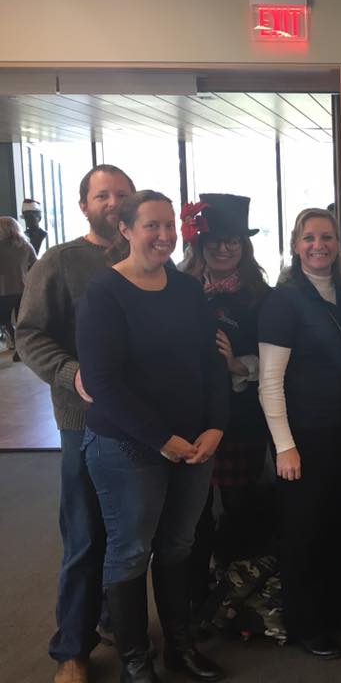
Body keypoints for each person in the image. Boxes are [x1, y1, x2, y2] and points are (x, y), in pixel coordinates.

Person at [76, 189, 229, 683]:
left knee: (179, 546)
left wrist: (216, 424)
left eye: (169, 226)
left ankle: (178, 649)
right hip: (128, 445)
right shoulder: (104, 293)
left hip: (193, 442)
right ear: (125, 230)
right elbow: (102, 384)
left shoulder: (186, 290)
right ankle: (136, 664)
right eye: (152, 226)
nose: (164, 235)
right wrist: (161, 437)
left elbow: (211, 363)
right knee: (131, 551)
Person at [17, 164, 135, 683]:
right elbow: (31, 335)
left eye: (122, 194)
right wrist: (70, 373)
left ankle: (113, 620)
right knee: (86, 535)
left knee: (130, 534)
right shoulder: (60, 262)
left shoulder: (150, 259)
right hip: (82, 423)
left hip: (142, 424)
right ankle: (72, 648)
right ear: (84, 204)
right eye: (102, 194)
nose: (113, 202)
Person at [258, 208, 341, 659]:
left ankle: (332, 608)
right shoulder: (283, 301)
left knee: (337, 524)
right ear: (295, 244)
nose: (318, 245)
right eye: (309, 238)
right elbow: (269, 381)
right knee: (303, 532)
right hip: (302, 437)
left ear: (338, 243)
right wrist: (285, 446)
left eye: (327, 237)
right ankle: (305, 624)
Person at [180, 193, 271, 605]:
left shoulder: (260, 295)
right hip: (188, 417)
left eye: (232, 240)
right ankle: (196, 597)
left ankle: (239, 593)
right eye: (214, 240)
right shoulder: (176, 289)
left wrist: (239, 365)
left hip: (241, 417)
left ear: (243, 245)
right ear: (199, 244)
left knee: (239, 505)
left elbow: (277, 355)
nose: (223, 248)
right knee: (193, 513)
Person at [0, 216, 37, 359]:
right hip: (22, 288)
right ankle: (19, 351)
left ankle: (11, 336)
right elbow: (35, 263)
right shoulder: (25, 245)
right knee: (20, 320)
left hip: (2, 290)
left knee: (4, 320)